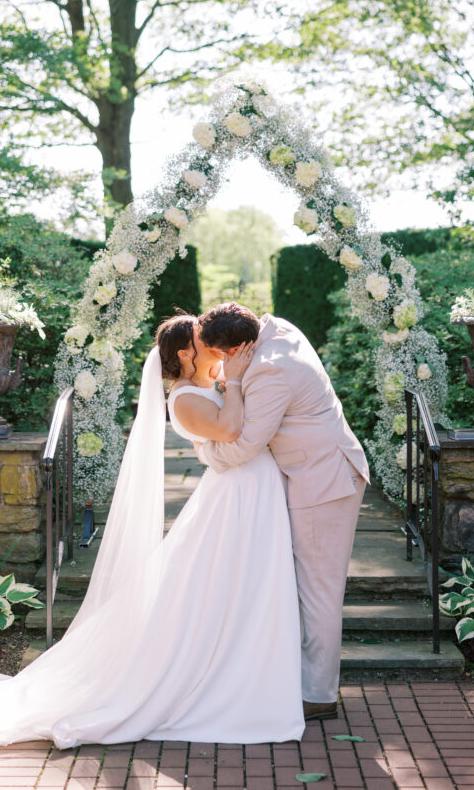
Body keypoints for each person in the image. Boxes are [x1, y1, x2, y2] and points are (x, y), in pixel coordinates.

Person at [0, 315, 304, 765]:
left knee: (246, 588)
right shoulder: (183, 400)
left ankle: (245, 678)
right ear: (184, 353)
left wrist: (237, 374)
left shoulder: (215, 380)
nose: (216, 347)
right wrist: (234, 382)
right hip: (234, 498)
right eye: (203, 340)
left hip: (249, 493)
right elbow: (233, 429)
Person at [195, 303, 370, 721]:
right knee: (300, 584)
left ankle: (319, 695)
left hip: (323, 482)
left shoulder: (271, 370)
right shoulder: (276, 327)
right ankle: (293, 676)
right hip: (313, 471)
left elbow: (245, 445)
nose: (216, 362)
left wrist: (203, 447)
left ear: (236, 349)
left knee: (319, 589)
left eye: (218, 354)